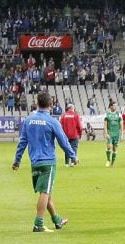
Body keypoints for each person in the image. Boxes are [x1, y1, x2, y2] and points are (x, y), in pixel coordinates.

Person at [12, 92, 78, 232]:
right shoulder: (52, 121)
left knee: (46, 192)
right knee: (45, 192)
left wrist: (17, 160)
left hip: (35, 162)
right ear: (51, 105)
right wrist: (73, 155)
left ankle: (57, 220)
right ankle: (38, 223)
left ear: (37, 103)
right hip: (48, 162)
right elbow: (63, 141)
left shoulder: (29, 120)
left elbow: (22, 141)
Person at [104, 101, 122, 167]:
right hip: (110, 133)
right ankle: (108, 160)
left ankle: (112, 163)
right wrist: (106, 134)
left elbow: (121, 124)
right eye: (114, 105)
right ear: (111, 106)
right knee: (109, 147)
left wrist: (121, 134)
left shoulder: (118, 114)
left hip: (116, 133)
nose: (115, 107)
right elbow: (105, 125)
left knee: (115, 148)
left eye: (116, 105)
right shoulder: (107, 114)